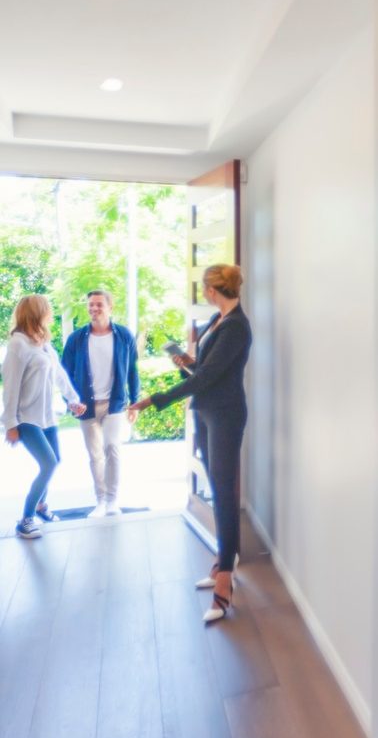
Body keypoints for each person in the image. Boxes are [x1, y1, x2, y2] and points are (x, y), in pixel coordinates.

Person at [131, 264, 251, 623]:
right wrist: (187, 362)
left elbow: (207, 379)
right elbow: (205, 372)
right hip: (209, 412)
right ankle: (222, 561)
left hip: (225, 415)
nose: (203, 295)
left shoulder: (235, 327)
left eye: (204, 289)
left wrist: (155, 399)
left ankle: (226, 580)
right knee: (217, 490)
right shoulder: (218, 322)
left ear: (213, 291)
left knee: (225, 492)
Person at [2, 295, 86, 538]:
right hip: (26, 419)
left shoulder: (43, 343)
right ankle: (25, 519)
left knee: (55, 460)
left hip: (47, 417)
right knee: (48, 463)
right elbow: (10, 387)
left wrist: (73, 400)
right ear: (37, 312)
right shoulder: (18, 344)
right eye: (48, 309)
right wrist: (10, 424)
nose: (51, 312)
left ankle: (41, 506)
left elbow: (59, 374)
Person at [60, 289, 140, 517]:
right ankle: (101, 501)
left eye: (98, 305)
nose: (94, 309)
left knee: (112, 447)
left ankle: (113, 500)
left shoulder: (124, 335)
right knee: (95, 455)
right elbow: (63, 372)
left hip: (114, 403)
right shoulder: (77, 338)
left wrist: (135, 401)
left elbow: (133, 369)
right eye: (91, 305)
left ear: (110, 307)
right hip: (86, 405)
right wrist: (70, 401)